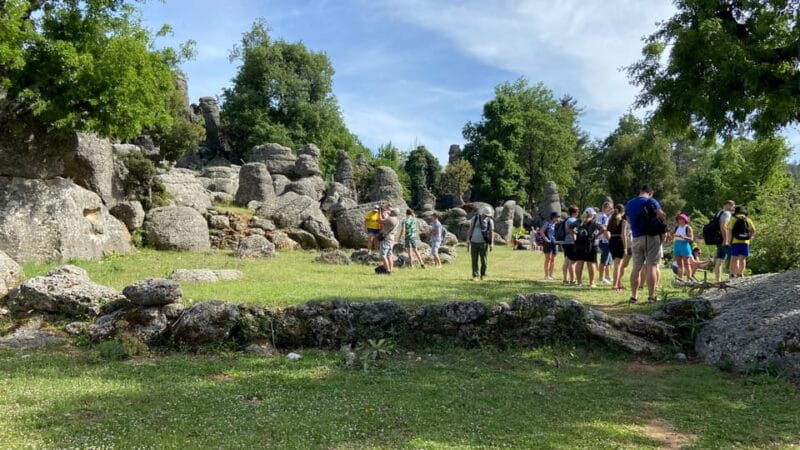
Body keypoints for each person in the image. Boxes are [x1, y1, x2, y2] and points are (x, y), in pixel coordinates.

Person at [625, 185, 666, 304]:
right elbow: (661, 215)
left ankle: (634, 296)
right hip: (650, 237)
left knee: (636, 268)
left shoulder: (630, 203)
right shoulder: (651, 201)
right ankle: (651, 296)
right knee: (651, 266)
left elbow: (628, 219)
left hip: (636, 238)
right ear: (650, 193)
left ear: (640, 191)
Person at [571, 208, 602, 287]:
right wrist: (596, 235)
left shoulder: (578, 221)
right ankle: (592, 283)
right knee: (591, 264)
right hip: (590, 244)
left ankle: (578, 282)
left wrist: (574, 236)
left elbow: (570, 227)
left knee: (579, 263)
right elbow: (603, 229)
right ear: (591, 214)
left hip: (579, 244)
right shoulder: (593, 222)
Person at [727, 205, 756, 278]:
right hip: (745, 242)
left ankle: (732, 274)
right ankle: (740, 274)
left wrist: (729, 241)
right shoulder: (748, 219)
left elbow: (729, 230)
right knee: (742, 258)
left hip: (735, 241)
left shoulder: (733, 219)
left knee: (734, 258)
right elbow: (753, 230)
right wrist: (750, 238)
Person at [466, 206, 494, 281]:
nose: (487, 216)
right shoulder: (474, 219)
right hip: (474, 242)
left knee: (484, 260)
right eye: (486, 215)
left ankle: (483, 275)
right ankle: (475, 275)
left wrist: (491, 243)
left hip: (484, 243)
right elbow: (470, 229)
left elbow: (491, 232)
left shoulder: (490, 221)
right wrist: (468, 239)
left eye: (488, 215)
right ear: (483, 213)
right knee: (474, 260)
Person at [712, 200, 735, 281]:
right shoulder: (727, 213)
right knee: (732, 257)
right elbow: (723, 226)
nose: (734, 208)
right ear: (728, 205)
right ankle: (732, 277)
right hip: (724, 240)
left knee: (720, 259)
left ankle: (717, 280)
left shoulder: (719, 213)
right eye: (733, 206)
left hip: (718, 239)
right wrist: (726, 239)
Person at [607, 204, 629, 292]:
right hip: (619, 241)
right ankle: (615, 286)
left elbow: (607, 231)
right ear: (623, 212)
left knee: (616, 264)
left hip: (612, 241)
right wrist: (625, 248)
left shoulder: (611, 219)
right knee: (618, 266)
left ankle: (619, 284)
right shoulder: (623, 221)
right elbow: (624, 235)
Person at [669, 213, 694, 282]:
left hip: (684, 245)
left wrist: (683, 237)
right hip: (677, 245)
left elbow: (691, 238)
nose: (680, 220)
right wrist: (670, 235)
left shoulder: (688, 227)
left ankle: (689, 279)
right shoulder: (677, 227)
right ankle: (680, 279)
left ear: (685, 220)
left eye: (682, 219)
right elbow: (670, 233)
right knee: (679, 264)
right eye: (679, 219)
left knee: (687, 263)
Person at [560, 205, 580, 285]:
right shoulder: (573, 220)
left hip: (566, 242)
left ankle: (565, 279)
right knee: (572, 262)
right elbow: (573, 231)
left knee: (566, 261)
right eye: (577, 211)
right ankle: (572, 280)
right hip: (572, 242)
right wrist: (575, 241)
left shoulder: (567, 220)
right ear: (575, 212)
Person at [538, 212, 560, 280]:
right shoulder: (547, 223)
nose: (557, 218)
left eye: (558, 217)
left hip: (555, 243)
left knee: (553, 259)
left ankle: (551, 274)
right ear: (552, 217)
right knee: (548, 259)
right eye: (556, 217)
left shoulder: (557, 225)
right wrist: (546, 239)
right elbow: (541, 231)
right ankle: (546, 275)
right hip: (548, 243)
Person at [596, 201, 614, 284]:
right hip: (604, 241)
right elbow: (604, 229)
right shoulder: (602, 217)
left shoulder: (606, 216)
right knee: (604, 259)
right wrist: (609, 239)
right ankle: (601, 277)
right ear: (605, 208)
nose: (610, 210)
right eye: (609, 208)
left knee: (609, 260)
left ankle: (608, 276)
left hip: (607, 240)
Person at [378, 208, 400, 274]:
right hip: (392, 238)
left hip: (386, 238)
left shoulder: (390, 219)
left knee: (383, 255)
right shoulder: (397, 220)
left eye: (392, 211)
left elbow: (380, 220)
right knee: (389, 255)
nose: (390, 212)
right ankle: (391, 269)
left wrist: (379, 212)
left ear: (393, 213)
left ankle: (387, 270)